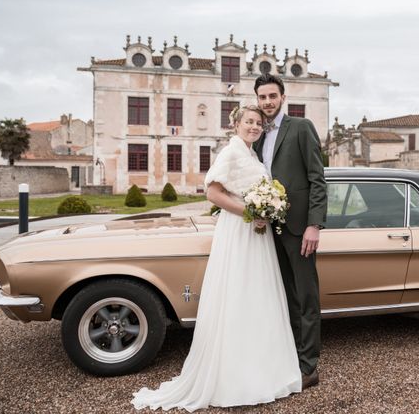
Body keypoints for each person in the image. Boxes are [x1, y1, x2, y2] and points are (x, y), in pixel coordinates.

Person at [131, 105, 301, 412]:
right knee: (237, 295)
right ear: (235, 124)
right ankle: (234, 377)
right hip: (238, 232)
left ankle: (262, 369)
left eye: (258, 123)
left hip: (256, 236)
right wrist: (250, 212)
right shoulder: (231, 152)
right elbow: (213, 192)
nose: (254, 126)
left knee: (256, 297)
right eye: (248, 121)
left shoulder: (251, 155)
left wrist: (265, 210)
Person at [253, 74, 327, 390]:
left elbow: (317, 179)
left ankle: (309, 367)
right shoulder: (255, 135)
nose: (267, 102)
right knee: (283, 297)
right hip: (268, 229)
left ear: (283, 97)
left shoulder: (301, 128)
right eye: (262, 97)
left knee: (306, 296)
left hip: (299, 228)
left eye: (272, 96)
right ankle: (290, 357)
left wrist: (314, 224)